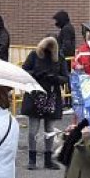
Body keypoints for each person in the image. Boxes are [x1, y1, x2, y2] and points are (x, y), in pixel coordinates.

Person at [21, 36, 68, 170]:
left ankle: (48, 159)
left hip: (51, 96)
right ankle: (32, 159)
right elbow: (24, 70)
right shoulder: (34, 55)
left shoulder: (59, 57)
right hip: (36, 95)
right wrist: (36, 73)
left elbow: (65, 77)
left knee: (50, 130)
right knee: (33, 130)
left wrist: (55, 78)